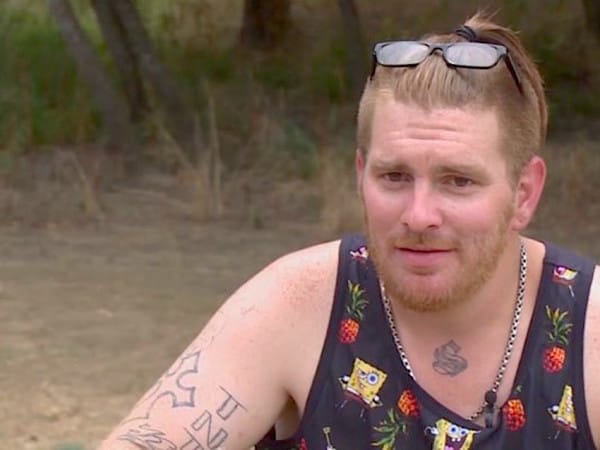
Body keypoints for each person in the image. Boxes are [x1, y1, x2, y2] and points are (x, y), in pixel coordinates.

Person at [99, 12, 599, 450]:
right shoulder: (298, 303)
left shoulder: (589, 329)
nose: (418, 215)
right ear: (361, 175)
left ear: (524, 193)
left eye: (458, 181)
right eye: (394, 176)